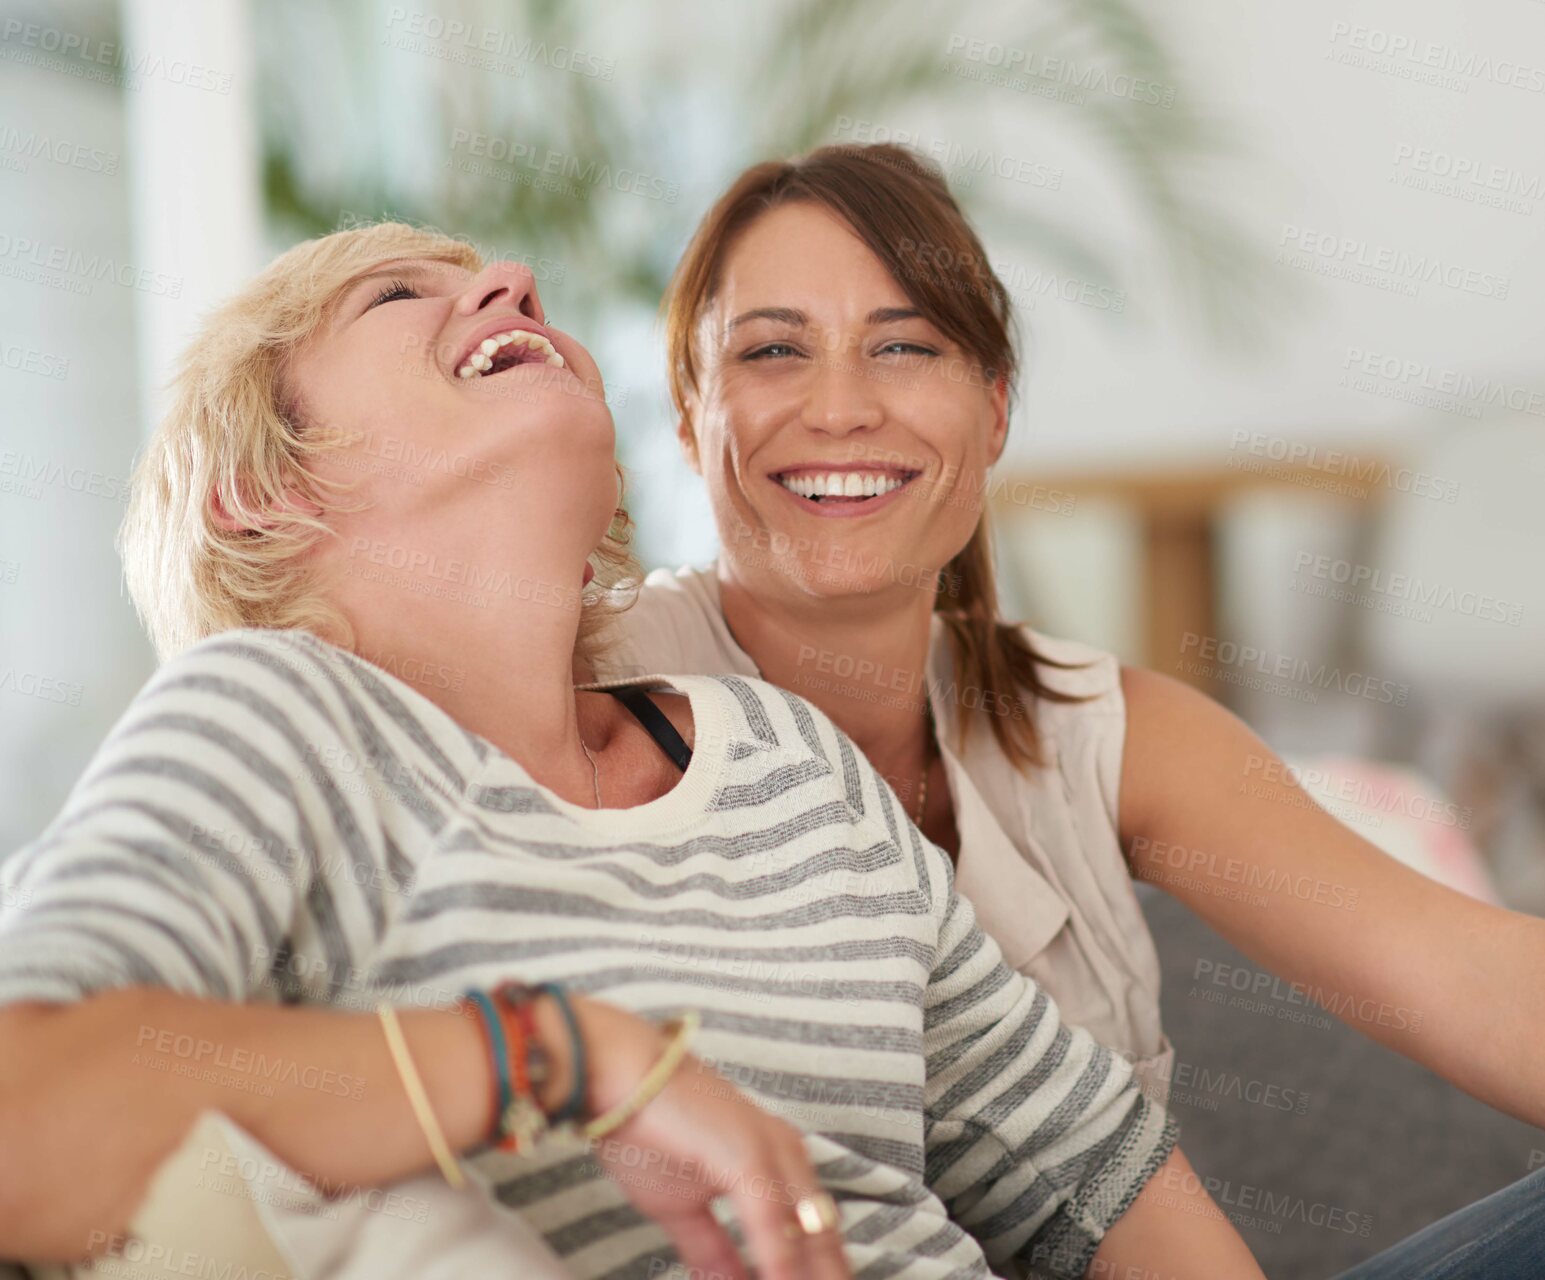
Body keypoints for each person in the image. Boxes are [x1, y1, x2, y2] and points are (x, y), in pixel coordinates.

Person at [0, 221, 1267, 1280]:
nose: (512, 282)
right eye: (394, 291)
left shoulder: (783, 753)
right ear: (258, 491)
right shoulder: (269, 717)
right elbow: (16, 1123)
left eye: (495, 270)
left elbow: (1096, 1179)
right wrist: (562, 1056)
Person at [598, 142, 1545, 1124]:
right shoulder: (581, 685)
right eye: (773, 350)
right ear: (687, 415)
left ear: (994, 408)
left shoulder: (1092, 726)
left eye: (903, 345)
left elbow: (1471, 973)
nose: (838, 408)